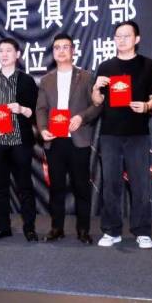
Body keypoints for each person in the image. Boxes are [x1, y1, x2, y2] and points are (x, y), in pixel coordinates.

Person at [91, 20, 152, 249]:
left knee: (140, 185)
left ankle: (142, 231)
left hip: (138, 133)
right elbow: (97, 102)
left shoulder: (148, 65)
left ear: (137, 39)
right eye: (118, 36)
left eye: (126, 36)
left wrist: (147, 106)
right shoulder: (106, 66)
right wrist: (96, 88)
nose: (121, 40)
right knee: (110, 184)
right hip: (110, 134)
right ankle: (111, 230)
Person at [36, 33, 101, 244]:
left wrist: (81, 117)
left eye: (65, 47)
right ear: (53, 52)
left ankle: (83, 230)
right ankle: (57, 228)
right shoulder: (46, 80)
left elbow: (97, 106)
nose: (61, 51)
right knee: (56, 188)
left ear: (73, 51)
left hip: (78, 139)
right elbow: (41, 109)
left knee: (81, 187)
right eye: (57, 48)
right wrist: (42, 129)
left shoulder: (86, 77)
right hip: (54, 140)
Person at [0, 38, 39, 242]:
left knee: (25, 187)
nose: (4, 54)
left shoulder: (27, 80)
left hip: (20, 142)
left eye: (8, 51)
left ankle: (29, 228)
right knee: (0, 188)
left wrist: (21, 109)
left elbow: (35, 112)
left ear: (17, 55)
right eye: (1, 51)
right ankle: (3, 227)